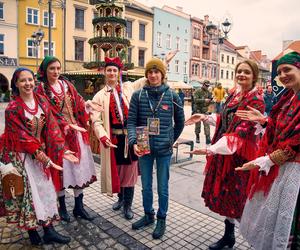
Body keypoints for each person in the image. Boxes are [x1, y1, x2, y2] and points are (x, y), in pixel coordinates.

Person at [185, 59, 265, 249]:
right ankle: (229, 236)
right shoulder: (235, 94)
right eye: (239, 71)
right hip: (225, 153)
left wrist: (209, 149)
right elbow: (224, 119)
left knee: (239, 200)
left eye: (246, 72)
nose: (241, 75)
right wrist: (204, 117)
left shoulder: (256, 100)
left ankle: (257, 241)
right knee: (227, 196)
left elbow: (240, 134)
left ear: (254, 76)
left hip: (240, 157)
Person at [0, 68, 75, 245]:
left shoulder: (41, 100)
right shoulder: (12, 108)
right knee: (28, 195)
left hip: (40, 155)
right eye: (23, 80)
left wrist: (62, 149)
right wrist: (45, 158)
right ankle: (32, 231)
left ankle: (49, 231)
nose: (28, 84)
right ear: (16, 84)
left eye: (30, 80)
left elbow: (52, 126)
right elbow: (23, 138)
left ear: (35, 81)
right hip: (21, 157)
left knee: (47, 192)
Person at [236, 51, 300, 250]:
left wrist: (265, 161)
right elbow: (280, 129)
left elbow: (296, 142)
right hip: (282, 170)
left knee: (289, 223)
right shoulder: (289, 97)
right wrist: (264, 121)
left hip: (294, 173)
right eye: (279, 72)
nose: (282, 75)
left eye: (287, 70)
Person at [127, 57, 185, 239]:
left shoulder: (172, 95)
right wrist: (133, 141)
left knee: (162, 188)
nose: (153, 75)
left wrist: (171, 139)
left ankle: (161, 218)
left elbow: (181, 122)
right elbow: (131, 122)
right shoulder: (138, 95)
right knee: (145, 186)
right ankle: (148, 215)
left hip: (163, 150)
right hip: (143, 147)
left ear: (162, 74)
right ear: (146, 75)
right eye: (150, 72)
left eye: (156, 72)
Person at [35, 56, 96, 222]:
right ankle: (62, 207)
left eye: (58, 68)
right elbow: (46, 113)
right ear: (45, 70)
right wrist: (63, 126)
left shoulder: (67, 85)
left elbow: (78, 100)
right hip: (57, 138)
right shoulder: (40, 90)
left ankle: (79, 207)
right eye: (52, 69)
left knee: (79, 170)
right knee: (61, 171)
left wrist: (86, 106)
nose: (56, 72)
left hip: (75, 135)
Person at [90, 57, 146, 220]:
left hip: (132, 138)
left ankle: (128, 205)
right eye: (109, 70)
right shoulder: (99, 96)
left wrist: (163, 63)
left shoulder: (128, 87)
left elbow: (145, 79)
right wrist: (102, 135)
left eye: (115, 70)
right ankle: (121, 199)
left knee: (130, 174)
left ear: (119, 72)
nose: (112, 73)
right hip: (114, 140)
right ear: (104, 72)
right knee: (118, 172)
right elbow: (96, 120)